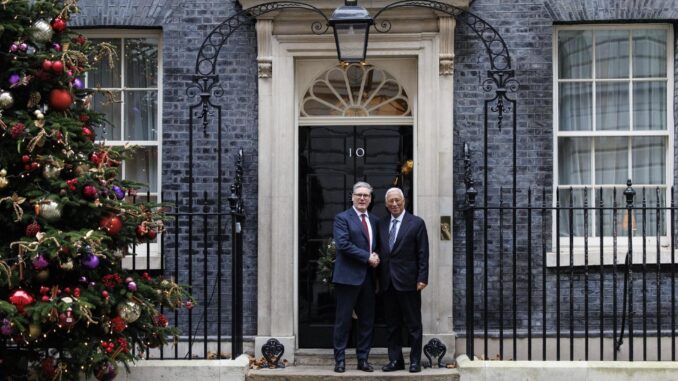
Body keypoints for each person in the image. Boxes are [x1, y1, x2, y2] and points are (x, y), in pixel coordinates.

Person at [377, 187, 429, 373]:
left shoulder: (416, 223)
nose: (394, 204)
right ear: (386, 204)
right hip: (388, 283)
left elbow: (423, 253)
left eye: (397, 200)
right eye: (391, 201)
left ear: (404, 201)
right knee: (392, 325)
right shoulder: (381, 224)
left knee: (413, 325)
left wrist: (422, 277)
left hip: (409, 282)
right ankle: (395, 361)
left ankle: (415, 361)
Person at [331, 181, 380, 373]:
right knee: (343, 321)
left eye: (366, 195)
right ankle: (340, 361)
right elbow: (343, 244)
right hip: (347, 278)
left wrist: (376, 255)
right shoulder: (342, 218)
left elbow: (378, 245)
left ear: (370, 198)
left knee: (367, 321)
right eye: (358, 195)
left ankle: (363, 359)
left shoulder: (375, 220)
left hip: (368, 278)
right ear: (352, 197)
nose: (362, 198)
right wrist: (367, 257)